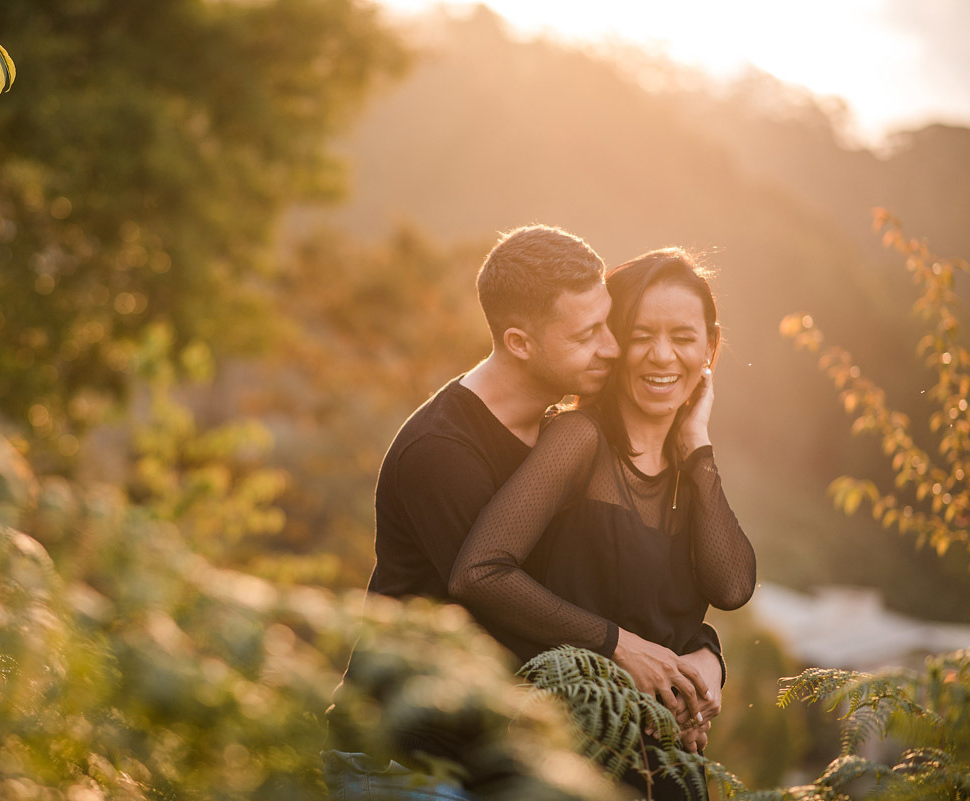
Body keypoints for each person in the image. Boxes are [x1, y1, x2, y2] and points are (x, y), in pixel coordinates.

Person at [324, 228, 725, 800]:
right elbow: (505, 604)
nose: (611, 349)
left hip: (495, 759)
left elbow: (606, 590)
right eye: (587, 336)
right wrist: (628, 654)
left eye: (607, 324)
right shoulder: (441, 452)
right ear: (520, 342)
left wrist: (700, 658)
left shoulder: (566, 439)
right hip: (407, 763)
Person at [448, 247, 757, 798]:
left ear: (710, 347)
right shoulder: (579, 441)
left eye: (683, 338)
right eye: (641, 336)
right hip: (572, 760)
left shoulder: (690, 468)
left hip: (667, 765)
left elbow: (731, 588)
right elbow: (479, 572)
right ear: (615, 344)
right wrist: (617, 646)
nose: (662, 356)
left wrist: (697, 446)